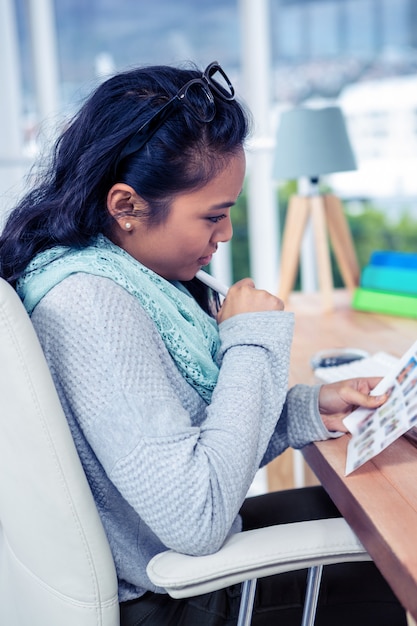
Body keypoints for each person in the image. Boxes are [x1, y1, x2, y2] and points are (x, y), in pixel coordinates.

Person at [0, 61, 406, 626]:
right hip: (175, 600)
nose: (226, 234)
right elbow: (198, 515)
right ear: (126, 207)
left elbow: (194, 450)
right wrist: (248, 340)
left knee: (376, 514)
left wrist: (307, 409)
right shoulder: (91, 305)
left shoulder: (118, 279)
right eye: (212, 216)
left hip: (174, 567)